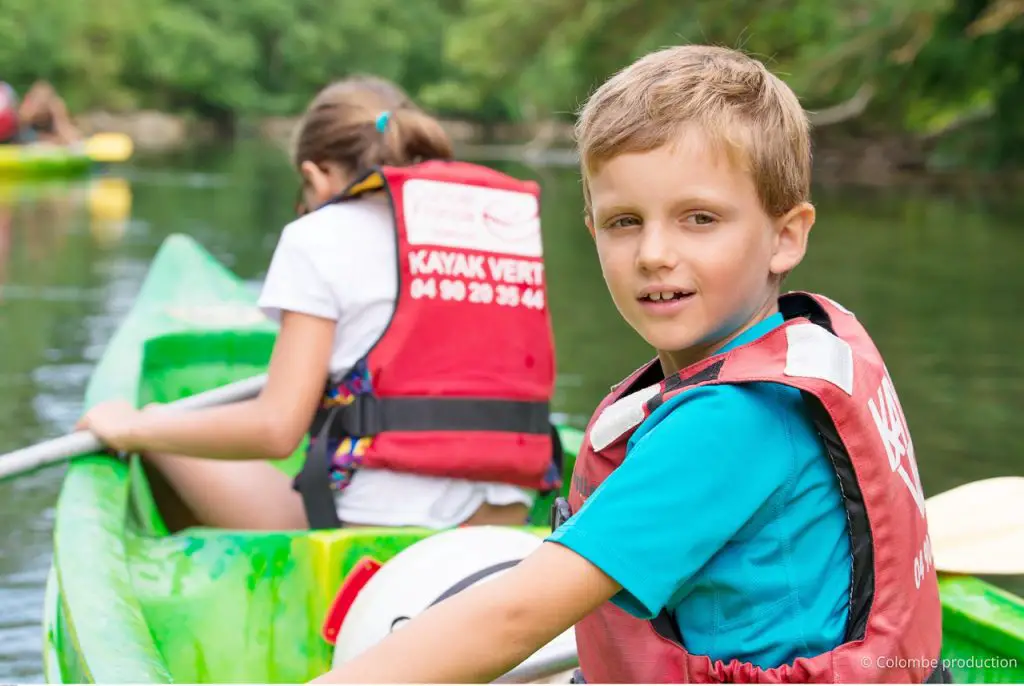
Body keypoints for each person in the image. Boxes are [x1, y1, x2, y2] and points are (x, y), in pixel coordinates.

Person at [308, 46, 947, 684]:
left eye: (700, 219)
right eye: (624, 222)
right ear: (593, 231)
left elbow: (513, 617)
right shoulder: (806, 340)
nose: (654, 253)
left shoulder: (732, 421)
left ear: (786, 236)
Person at [74, 75, 560, 532]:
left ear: (317, 175)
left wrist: (136, 426)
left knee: (159, 429)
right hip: (504, 517)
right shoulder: (498, 230)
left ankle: (224, 591)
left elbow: (275, 429)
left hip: (374, 531)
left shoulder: (318, 235)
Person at [0, 80, 80, 146]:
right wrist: (30, 114)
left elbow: (70, 136)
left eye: (44, 103)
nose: (41, 107)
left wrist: (58, 114)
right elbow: (20, 133)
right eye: (39, 102)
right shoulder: (27, 111)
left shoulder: (56, 109)